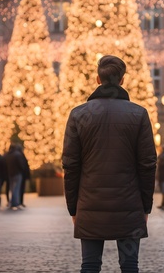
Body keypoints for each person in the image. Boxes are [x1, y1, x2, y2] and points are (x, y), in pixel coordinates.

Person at [62, 55, 157, 273]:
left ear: (97, 79)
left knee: (90, 265)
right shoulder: (139, 114)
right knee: (130, 265)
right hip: (129, 204)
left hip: (89, 204)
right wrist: (145, 206)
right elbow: (148, 165)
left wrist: (73, 208)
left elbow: (71, 165)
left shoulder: (78, 115)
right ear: (122, 80)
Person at [4, 143, 27, 210]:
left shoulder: (7, 155)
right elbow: (21, 165)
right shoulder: (17, 155)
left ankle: (12, 202)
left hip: (10, 174)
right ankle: (15, 203)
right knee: (16, 188)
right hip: (17, 173)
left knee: (12, 189)